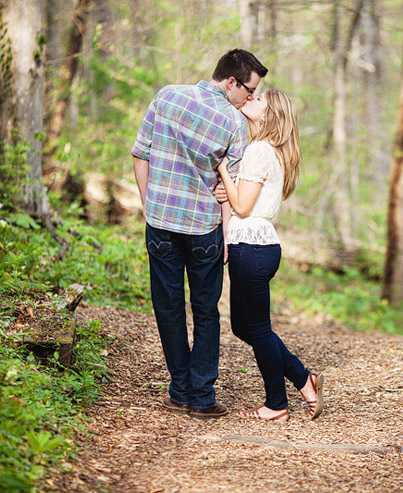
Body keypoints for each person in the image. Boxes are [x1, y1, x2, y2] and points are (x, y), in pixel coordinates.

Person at [131, 49, 268, 419]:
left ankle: (179, 391)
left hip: (160, 223)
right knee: (206, 311)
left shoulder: (166, 95)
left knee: (168, 307)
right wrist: (226, 234)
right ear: (231, 82)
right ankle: (202, 398)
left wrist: (150, 204)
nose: (251, 98)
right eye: (249, 90)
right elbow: (231, 186)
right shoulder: (235, 124)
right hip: (204, 228)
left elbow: (140, 154)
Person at [215, 89, 324, 421]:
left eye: (259, 99)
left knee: (258, 329)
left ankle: (277, 404)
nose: (251, 99)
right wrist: (230, 189)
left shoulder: (260, 150)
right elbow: (243, 200)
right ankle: (303, 377)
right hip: (255, 246)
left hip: (252, 248)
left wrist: (222, 171)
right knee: (242, 327)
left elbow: (243, 205)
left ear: (269, 115)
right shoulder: (269, 150)